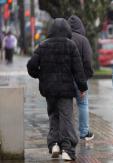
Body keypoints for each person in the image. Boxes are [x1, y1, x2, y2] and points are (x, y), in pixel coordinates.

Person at [27, 18, 88, 161]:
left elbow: (31, 66)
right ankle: (67, 149)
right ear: (67, 30)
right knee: (66, 118)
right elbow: (78, 70)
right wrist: (82, 87)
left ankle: (54, 144)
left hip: (49, 89)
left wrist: (40, 75)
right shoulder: (71, 45)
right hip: (66, 90)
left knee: (53, 115)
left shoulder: (43, 46)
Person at [68, 15, 94, 141]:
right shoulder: (83, 40)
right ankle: (84, 132)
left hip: (65, 79)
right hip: (80, 78)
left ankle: (67, 132)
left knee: (66, 106)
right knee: (82, 104)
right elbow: (87, 61)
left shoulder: (64, 38)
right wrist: (86, 77)